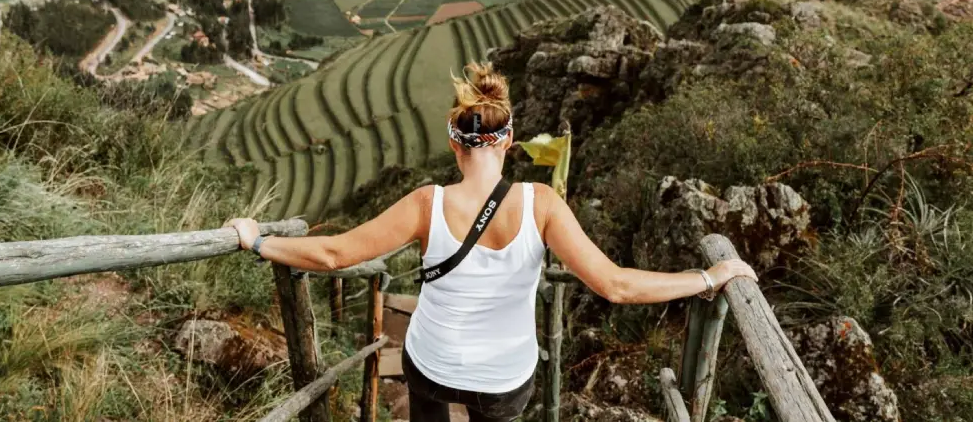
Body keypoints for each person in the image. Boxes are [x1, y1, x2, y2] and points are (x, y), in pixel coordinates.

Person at [224, 62, 758, 422]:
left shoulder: (426, 203)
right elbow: (615, 285)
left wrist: (258, 241)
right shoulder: (541, 204)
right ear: (507, 140)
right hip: (505, 375)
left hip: (431, 362)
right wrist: (708, 278)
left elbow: (334, 253)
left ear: (455, 144)